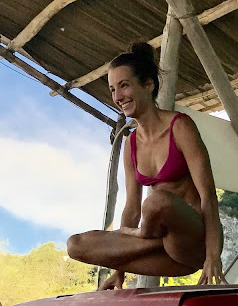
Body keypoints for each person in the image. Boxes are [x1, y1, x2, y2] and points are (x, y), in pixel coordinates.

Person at [67, 42, 226, 288]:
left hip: (194, 244)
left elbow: (208, 196)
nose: (117, 97)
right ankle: (143, 236)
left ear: (148, 85)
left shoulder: (180, 127)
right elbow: (131, 209)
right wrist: (119, 270)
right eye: (113, 89)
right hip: (163, 252)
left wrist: (213, 256)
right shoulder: (131, 144)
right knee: (75, 245)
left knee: (156, 201)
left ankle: (142, 234)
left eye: (124, 85)